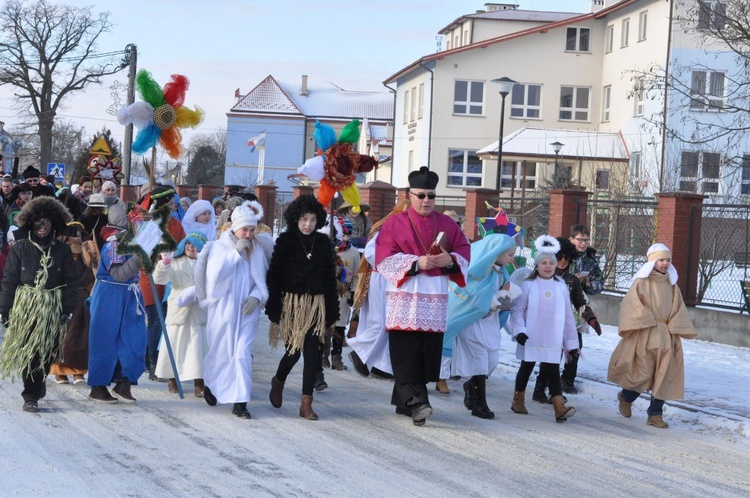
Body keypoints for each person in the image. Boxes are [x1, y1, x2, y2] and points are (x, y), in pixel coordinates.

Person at [375, 166, 470, 426]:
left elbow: (463, 250)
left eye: (431, 196)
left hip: (434, 297)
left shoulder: (448, 223)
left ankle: (404, 403)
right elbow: (383, 258)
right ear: (410, 195)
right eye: (421, 196)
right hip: (405, 295)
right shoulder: (395, 223)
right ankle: (418, 403)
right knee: (406, 352)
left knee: (426, 353)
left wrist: (450, 259)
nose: (426, 201)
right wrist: (417, 263)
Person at [194, 200, 272, 419]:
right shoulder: (219, 246)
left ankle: (240, 401)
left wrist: (256, 298)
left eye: (251, 230)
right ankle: (211, 384)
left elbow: (261, 280)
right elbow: (215, 276)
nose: (248, 234)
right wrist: (235, 253)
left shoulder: (256, 249)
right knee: (221, 352)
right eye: (244, 230)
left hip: (247, 312)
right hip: (224, 310)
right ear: (234, 228)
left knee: (242, 354)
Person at [607, 243, 697, 429]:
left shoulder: (672, 285)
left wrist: (674, 325)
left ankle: (655, 414)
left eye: (668, 260)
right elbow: (631, 306)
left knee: (664, 376)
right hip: (646, 334)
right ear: (652, 261)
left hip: (667, 337)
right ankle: (626, 396)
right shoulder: (641, 282)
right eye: (661, 260)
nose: (665, 264)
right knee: (643, 373)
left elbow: (678, 308)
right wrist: (647, 321)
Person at [0, 197, 77, 413]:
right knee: (30, 351)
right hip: (26, 307)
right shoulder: (19, 249)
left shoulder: (62, 250)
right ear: (30, 223)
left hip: (52, 307)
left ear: (53, 225)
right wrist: (5, 310)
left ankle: (39, 378)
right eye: (38, 223)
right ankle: (30, 395)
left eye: (47, 224)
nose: (42, 228)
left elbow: (71, 282)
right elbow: (9, 281)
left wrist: (67, 309)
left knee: (47, 351)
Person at [266, 195, 338, 421]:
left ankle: (306, 403)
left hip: (316, 304)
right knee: (293, 352)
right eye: (304, 219)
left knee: (312, 354)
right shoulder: (285, 241)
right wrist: (275, 307)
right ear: (296, 219)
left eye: (313, 220)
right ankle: (278, 380)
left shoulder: (324, 243)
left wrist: (332, 311)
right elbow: (274, 276)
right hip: (292, 304)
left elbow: (329, 280)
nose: (308, 224)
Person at [445, 233, 517, 420]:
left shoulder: (502, 272)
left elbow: (502, 292)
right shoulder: (476, 272)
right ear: (496, 252)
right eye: (509, 254)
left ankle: (471, 386)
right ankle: (480, 403)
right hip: (472, 323)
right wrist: (490, 303)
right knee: (479, 361)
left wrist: (505, 301)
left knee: (491, 360)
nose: (512, 258)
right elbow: (470, 297)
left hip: (490, 323)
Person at [509, 235, 579, 423]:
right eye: (543, 263)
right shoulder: (528, 285)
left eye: (551, 263)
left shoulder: (561, 285)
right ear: (537, 266)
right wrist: (519, 331)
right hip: (531, 335)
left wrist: (571, 341)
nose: (547, 266)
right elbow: (518, 311)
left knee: (553, 369)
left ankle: (558, 407)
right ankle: (518, 399)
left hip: (552, 336)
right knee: (527, 367)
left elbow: (567, 315)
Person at [86, 202, 146, 403]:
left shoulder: (132, 241)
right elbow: (119, 274)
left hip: (130, 295)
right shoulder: (114, 244)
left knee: (135, 339)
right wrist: (141, 255)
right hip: (110, 296)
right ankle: (98, 386)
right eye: (135, 220)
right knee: (105, 341)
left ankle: (124, 381)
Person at [532, 237, 602, 402]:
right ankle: (541, 389)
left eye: (567, 258)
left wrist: (591, 319)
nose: (563, 261)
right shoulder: (543, 276)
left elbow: (580, 302)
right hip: (548, 325)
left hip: (569, 325)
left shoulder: (571, 280)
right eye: (559, 257)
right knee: (551, 359)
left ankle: (565, 382)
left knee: (573, 351)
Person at [348, 200, 412, 379]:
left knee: (391, 323)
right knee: (380, 321)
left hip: (396, 279)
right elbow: (370, 253)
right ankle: (359, 352)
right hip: (381, 278)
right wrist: (392, 264)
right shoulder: (384, 227)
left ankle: (381, 366)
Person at [137, 185, 186, 380]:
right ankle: (153, 363)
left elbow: (182, 247)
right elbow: (140, 251)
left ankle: (152, 361)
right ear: (164, 201)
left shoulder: (175, 224)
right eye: (172, 199)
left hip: (170, 279)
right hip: (150, 278)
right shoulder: (147, 223)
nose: (175, 203)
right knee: (156, 320)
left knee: (162, 320)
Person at [153, 232, 209, 397]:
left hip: (198, 310)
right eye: (188, 244)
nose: (191, 248)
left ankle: (199, 381)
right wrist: (165, 263)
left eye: (195, 245)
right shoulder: (176, 263)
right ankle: (172, 377)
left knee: (197, 347)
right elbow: (159, 279)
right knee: (175, 344)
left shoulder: (207, 264)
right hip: (179, 310)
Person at [49, 221, 97, 385]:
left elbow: (95, 273)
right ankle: (59, 371)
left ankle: (78, 371)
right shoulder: (57, 252)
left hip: (83, 300)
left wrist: (91, 288)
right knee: (62, 336)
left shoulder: (89, 252)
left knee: (81, 337)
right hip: (63, 298)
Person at [568, 225, 604, 297]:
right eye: (580, 240)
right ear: (571, 240)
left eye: (586, 240)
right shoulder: (563, 257)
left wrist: (588, 284)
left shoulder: (591, 259)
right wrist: (572, 281)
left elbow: (599, 283)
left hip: (580, 302)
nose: (584, 243)